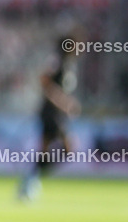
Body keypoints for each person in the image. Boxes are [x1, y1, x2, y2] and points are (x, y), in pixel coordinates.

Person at [18, 34, 81, 201]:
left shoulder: (68, 64)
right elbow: (44, 80)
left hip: (56, 115)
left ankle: (30, 180)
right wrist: (63, 102)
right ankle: (31, 180)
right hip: (50, 114)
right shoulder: (58, 61)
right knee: (67, 148)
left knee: (47, 151)